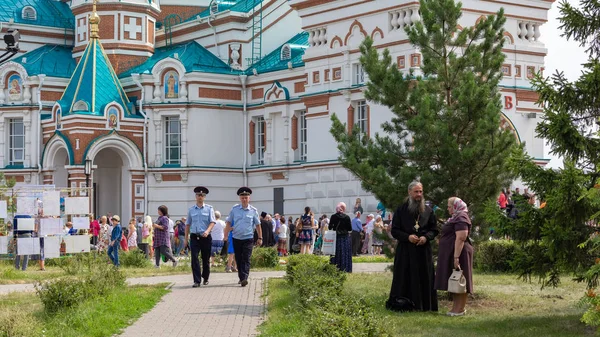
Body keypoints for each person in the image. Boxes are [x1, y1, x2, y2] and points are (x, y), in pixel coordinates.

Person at [386, 181, 439, 312]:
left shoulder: (428, 211)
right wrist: (408, 237)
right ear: (409, 192)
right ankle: (405, 305)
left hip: (423, 250)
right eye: (416, 192)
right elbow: (395, 231)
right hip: (406, 250)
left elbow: (434, 229)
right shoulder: (401, 210)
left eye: (421, 191)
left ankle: (424, 306)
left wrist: (426, 237)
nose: (419, 194)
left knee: (423, 277)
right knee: (405, 277)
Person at [435, 197, 474, 316]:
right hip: (454, 252)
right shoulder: (456, 216)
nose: (448, 209)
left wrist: (456, 257)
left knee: (461, 279)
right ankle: (456, 307)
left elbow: (461, 237)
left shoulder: (461, 217)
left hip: (460, 253)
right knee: (455, 280)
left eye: (449, 206)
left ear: (456, 206)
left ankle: (460, 309)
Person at [223, 187, 262, 287]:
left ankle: (244, 278)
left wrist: (260, 237)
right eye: (242, 197)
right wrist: (225, 235)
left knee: (246, 258)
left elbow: (257, 225)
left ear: (249, 198)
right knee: (239, 259)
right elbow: (228, 222)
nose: (244, 199)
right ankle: (241, 277)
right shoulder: (234, 210)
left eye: (246, 197)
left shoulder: (253, 211)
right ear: (240, 199)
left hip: (248, 238)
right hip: (237, 238)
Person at [185, 186, 216, 287]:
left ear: (204, 197)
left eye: (202, 195)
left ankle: (205, 277)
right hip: (194, 237)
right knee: (194, 258)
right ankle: (196, 280)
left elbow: (212, 222)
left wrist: (207, 231)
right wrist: (186, 239)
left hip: (205, 237)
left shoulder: (209, 209)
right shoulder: (191, 210)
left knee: (205, 259)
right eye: (198, 195)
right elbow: (188, 224)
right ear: (196, 196)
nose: (200, 197)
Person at [328, 202, 352, 272]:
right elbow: (350, 229)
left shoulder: (333, 216)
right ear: (344, 209)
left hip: (336, 237)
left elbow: (330, 227)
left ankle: (334, 267)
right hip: (345, 237)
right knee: (345, 252)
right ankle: (345, 268)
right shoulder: (347, 217)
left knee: (335, 252)